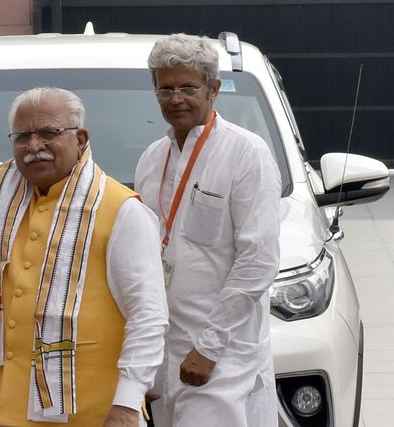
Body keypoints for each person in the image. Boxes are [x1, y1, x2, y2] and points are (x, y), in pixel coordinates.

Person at [0, 12, 169, 427]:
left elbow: (148, 315)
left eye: (48, 133)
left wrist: (126, 404)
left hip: (88, 411)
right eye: (22, 137)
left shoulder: (123, 211)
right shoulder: (0, 189)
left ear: (80, 138)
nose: (35, 146)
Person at [134, 33, 281, 427]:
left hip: (222, 352)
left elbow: (258, 261)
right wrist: (143, 357)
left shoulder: (247, 154)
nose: (176, 98)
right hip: (164, 349)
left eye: (187, 87)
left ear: (213, 89)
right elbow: (140, 259)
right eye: (165, 89)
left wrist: (210, 346)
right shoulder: (151, 159)